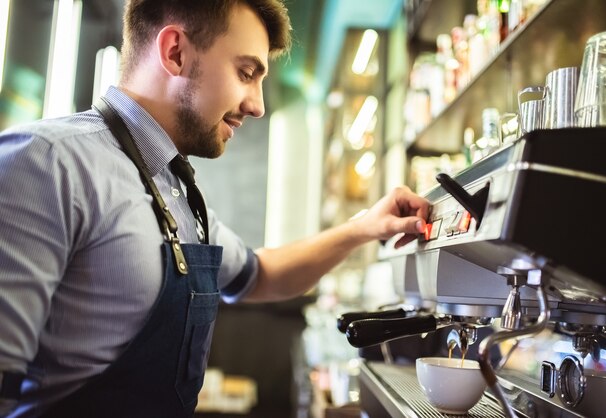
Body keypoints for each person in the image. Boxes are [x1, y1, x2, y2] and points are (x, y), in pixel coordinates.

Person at [0, 0, 430, 417]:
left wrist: (364, 227)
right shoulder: (44, 163)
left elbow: (259, 276)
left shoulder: (178, 189)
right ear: (175, 52)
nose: (258, 104)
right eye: (246, 73)